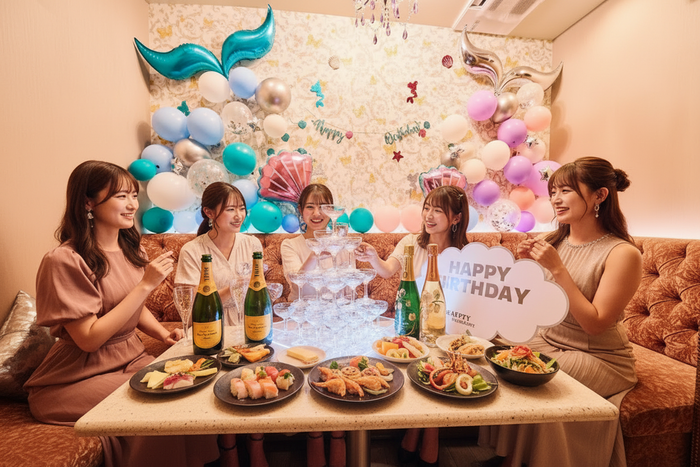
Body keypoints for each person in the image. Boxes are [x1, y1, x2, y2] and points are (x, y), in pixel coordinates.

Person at [24, 160, 219, 467]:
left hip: (130, 358)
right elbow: (89, 339)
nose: (132, 205)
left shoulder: (132, 250)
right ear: (88, 202)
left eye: (133, 195)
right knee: (158, 401)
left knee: (192, 388)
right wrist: (145, 285)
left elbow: (130, 308)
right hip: (76, 376)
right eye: (121, 196)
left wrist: (163, 333)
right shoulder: (64, 260)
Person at [478, 156, 643, 467]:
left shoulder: (623, 254)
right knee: (493, 350)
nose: (555, 199)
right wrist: (524, 266)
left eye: (566, 190)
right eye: (553, 191)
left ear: (600, 195)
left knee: (529, 373)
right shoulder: (554, 241)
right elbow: (534, 302)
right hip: (551, 339)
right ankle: (509, 454)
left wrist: (557, 269)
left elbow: (595, 324)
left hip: (599, 356)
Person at [356, 184, 470, 467]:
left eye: (438, 210)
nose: (428, 216)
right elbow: (387, 271)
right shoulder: (411, 243)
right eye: (426, 208)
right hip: (411, 328)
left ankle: (422, 432)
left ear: (456, 218)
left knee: (440, 364)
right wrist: (373, 258)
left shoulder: (466, 254)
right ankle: (425, 434)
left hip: (449, 331)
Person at [174, 181, 265, 467]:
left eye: (242, 209)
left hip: (249, 326)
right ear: (209, 212)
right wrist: (233, 288)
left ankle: (257, 445)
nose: (239, 216)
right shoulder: (193, 250)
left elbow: (258, 294)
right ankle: (228, 448)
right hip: (212, 330)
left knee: (256, 379)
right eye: (230, 210)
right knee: (221, 388)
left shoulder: (252, 244)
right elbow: (193, 306)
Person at [280, 183, 347, 467]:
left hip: (335, 318)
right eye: (310, 206)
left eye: (324, 207)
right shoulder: (290, 244)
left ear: (332, 211)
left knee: (341, 371)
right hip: (303, 320)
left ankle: (339, 434)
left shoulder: (343, 242)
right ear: (301, 211)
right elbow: (296, 282)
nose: (317, 213)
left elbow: (348, 287)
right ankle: (315, 435)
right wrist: (317, 250)